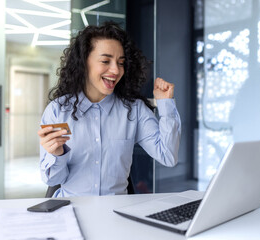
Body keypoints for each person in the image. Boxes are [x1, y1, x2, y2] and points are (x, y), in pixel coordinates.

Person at [38, 21, 181, 197]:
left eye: (120, 63)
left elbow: (168, 156)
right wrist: (57, 154)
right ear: (84, 63)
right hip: (71, 210)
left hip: (116, 212)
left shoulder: (134, 110)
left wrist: (166, 105)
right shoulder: (58, 111)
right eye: (106, 61)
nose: (115, 70)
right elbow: (53, 180)